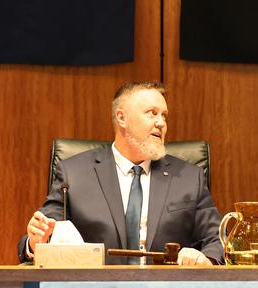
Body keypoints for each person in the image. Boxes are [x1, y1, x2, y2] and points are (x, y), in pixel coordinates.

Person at [18, 81, 223, 265]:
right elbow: (43, 233)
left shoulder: (188, 177)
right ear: (122, 118)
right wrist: (36, 243)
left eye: (164, 115)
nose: (161, 123)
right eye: (152, 113)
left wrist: (204, 259)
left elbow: (216, 240)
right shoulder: (74, 174)